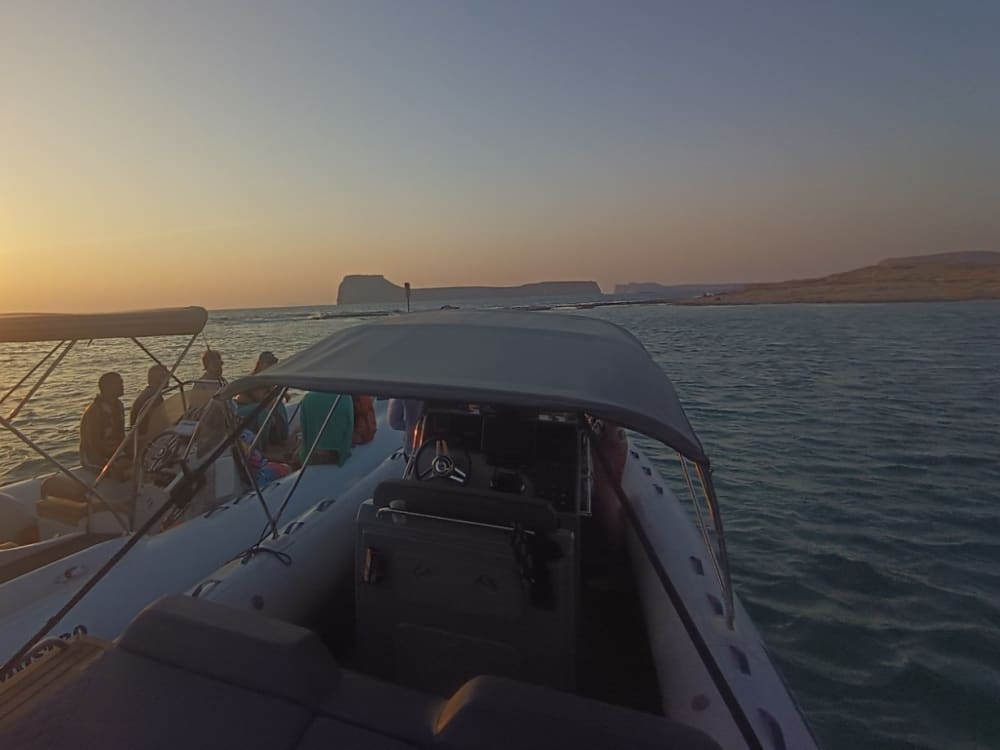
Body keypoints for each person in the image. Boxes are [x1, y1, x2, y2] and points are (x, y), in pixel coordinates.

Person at [80, 372, 126, 471]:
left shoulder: (119, 405)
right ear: (108, 387)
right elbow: (93, 443)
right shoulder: (95, 411)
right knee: (124, 470)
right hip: (94, 456)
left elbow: (121, 435)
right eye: (119, 384)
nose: (123, 386)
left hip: (114, 450)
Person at [298, 391, 354, 466]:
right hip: (335, 456)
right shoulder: (346, 398)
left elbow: (305, 433)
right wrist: (342, 459)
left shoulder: (307, 398)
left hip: (314, 454)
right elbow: (349, 429)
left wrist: (304, 457)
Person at [130, 364, 169, 436]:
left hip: (139, 435)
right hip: (144, 438)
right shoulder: (154, 396)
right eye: (164, 375)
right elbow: (159, 422)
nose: (168, 377)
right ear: (155, 378)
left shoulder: (149, 392)